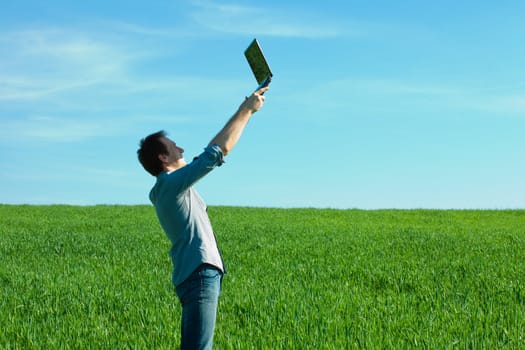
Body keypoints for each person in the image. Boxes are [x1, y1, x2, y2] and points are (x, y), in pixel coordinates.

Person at [137, 87, 268, 349]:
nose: (181, 148)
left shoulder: (170, 189)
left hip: (194, 275)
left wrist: (244, 110)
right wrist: (246, 111)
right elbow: (216, 152)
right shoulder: (170, 186)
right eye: (175, 147)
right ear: (164, 157)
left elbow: (211, 151)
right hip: (199, 273)